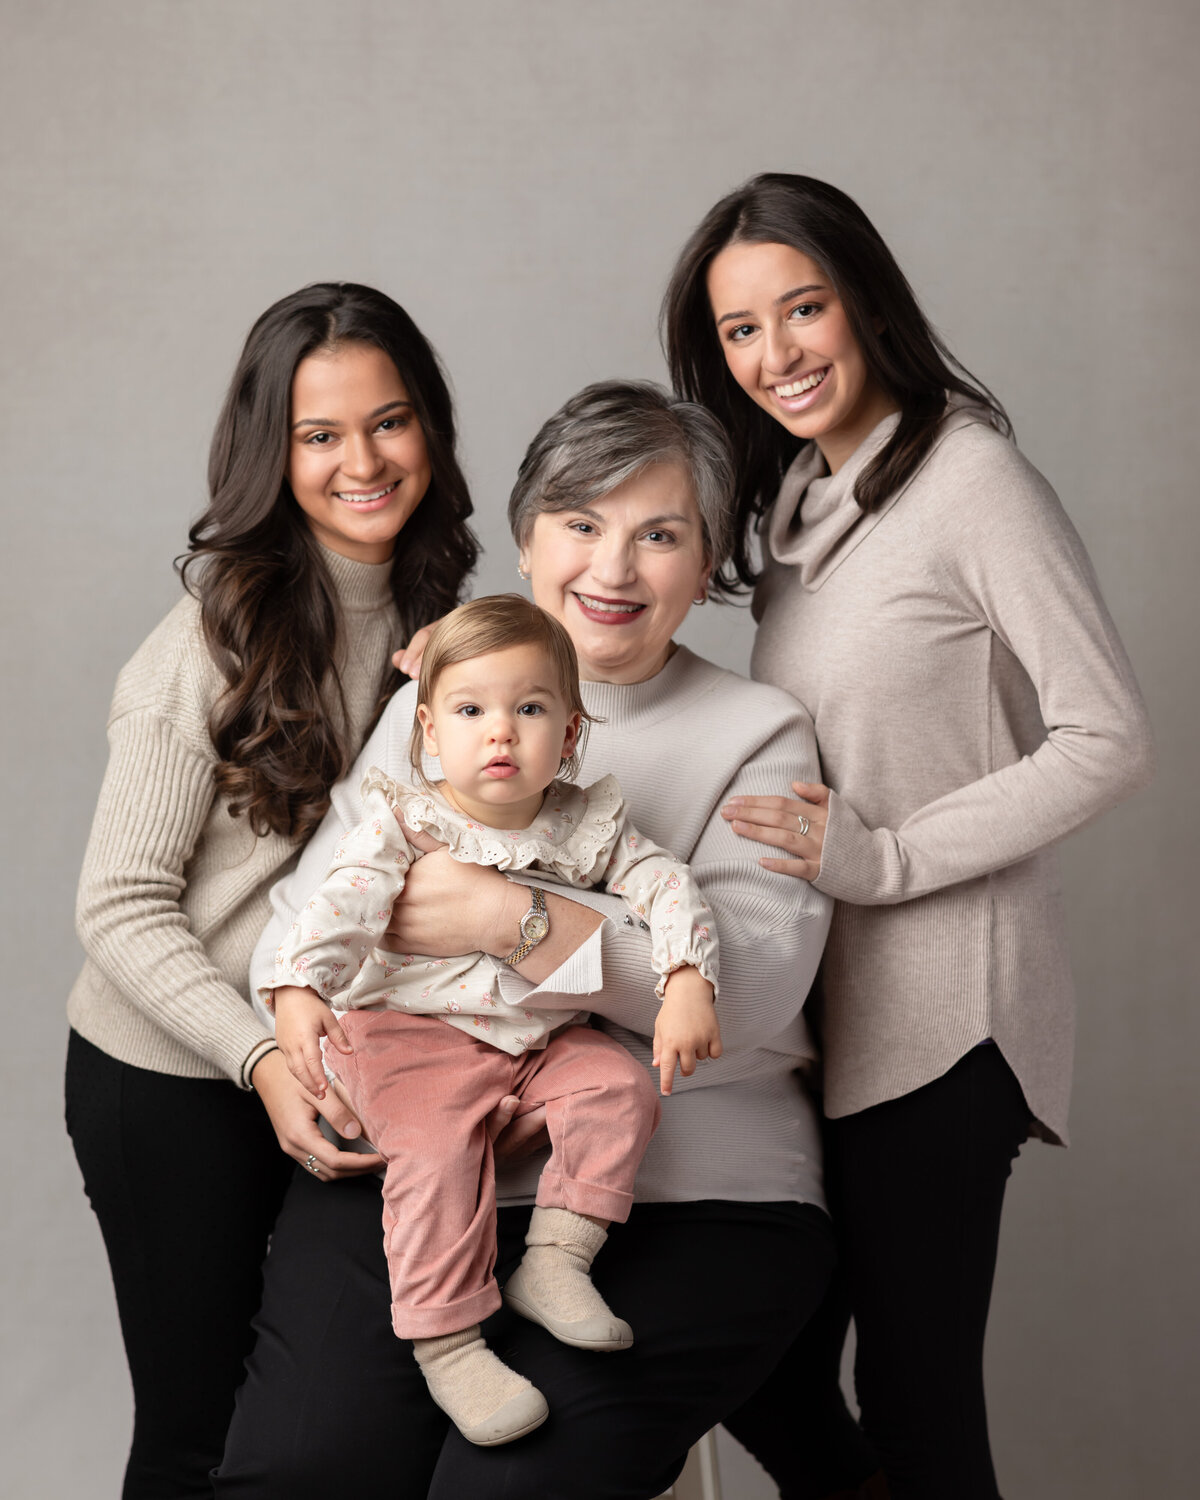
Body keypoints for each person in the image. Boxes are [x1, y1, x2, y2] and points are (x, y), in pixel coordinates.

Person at [216, 381, 878, 1500]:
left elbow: (751, 992)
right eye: (580, 524)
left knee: (505, 1488)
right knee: (304, 1470)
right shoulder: (444, 693)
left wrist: (508, 921)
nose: (612, 571)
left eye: (659, 534)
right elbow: (313, 912)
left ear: (707, 555)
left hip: (690, 1182)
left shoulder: (759, 732)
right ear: (525, 542)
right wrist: (287, 1049)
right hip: (428, 1138)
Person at [663, 172, 1156, 1499]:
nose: (777, 355)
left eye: (803, 309)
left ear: (866, 301)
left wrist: (880, 859)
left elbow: (1109, 735)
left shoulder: (972, 477)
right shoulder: (799, 511)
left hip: (952, 1013)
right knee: (760, 1359)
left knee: (918, 1397)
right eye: (741, 331)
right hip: (829, 1013)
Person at [65, 282, 478, 1498]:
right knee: (198, 1440)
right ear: (270, 451)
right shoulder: (203, 643)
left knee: (314, 1437)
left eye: (390, 422)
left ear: (432, 430)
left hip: (334, 1071)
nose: (364, 461)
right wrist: (260, 1060)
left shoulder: (442, 621)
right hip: (173, 1079)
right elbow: (119, 908)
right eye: (320, 435)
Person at [270, 592, 721, 1444]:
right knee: (436, 1159)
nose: (501, 732)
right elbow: (339, 910)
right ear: (432, 733)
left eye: (531, 708)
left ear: (573, 734)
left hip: (533, 1038)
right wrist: (299, 989)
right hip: (409, 1038)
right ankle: (447, 1343)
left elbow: (667, 886)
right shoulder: (407, 821)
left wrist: (689, 975)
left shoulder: (583, 822)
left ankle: (556, 1260)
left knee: (619, 1086)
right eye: (472, 711)